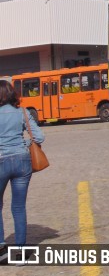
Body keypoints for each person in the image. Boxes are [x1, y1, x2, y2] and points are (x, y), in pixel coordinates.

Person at [0, 80, 45, 262]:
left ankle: (2, 249)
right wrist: (23, 145)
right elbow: (40, 136)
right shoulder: (23, 113)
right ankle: (20, 251)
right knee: (18, 207)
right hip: (22, 162)